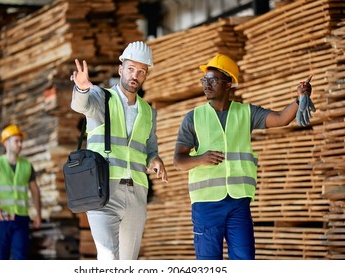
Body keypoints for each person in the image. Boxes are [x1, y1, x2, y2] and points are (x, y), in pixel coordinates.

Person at [173, 53, 313, 260]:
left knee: (245, 261)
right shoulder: (193, 117)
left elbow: (282, 119)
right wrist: (200, 159)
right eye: (205, 80)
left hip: (238, 202)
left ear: (229, 83)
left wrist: (299, 98)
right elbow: (178, 160)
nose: (206, 85)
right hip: (206, 204)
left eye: (213, 80)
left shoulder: (246, 113)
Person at [70, 41, 169, 260]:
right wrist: (81, 88)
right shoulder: (100, 97)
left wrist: (154, 159)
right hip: (103, 191)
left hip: (136, 195)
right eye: (131, 69)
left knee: (128, 262)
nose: (135, 75)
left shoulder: (148, 112)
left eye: (141, 71)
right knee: (108, 259)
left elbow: (150, 147)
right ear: (120, 69)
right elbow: (80, 105)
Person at [0, 124, 42, 260]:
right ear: (6, 143)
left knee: (21, 259)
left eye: (21, 141)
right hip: (1, 218)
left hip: (21, 219)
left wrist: (38, 214)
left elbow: (35, 191)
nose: (20, 144)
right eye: (16, 141)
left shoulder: (27, 165)